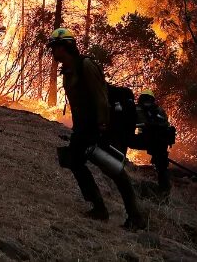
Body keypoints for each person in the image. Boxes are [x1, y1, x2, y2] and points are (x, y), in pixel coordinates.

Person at [49, 28, 147, 229]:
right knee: (74, 161)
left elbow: (100, 96)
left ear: (64, 47)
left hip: (100, 127)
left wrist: (102, 126)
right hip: (83, 128)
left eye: (54, 47)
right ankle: (99, 208)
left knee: (114, 170)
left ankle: (135, 217)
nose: (52, 51)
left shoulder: (86, 65)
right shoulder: (68, 71)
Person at [134, 89, 174, 196]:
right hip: (159, 142)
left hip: (148, 141)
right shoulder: (159, 111)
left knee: (161, 166)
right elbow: (166, 124)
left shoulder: (137, 110)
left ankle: (164, 191)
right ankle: (164, 190)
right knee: (162, 167)